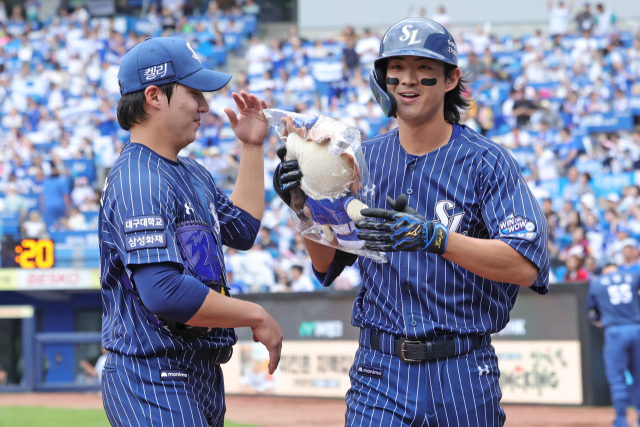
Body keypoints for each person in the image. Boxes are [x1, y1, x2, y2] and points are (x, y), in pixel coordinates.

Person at [274, 18, 549, 426]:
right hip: (380, 367)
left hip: (461, 367)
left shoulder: (486, 161)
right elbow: (326, 263)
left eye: (424, 69)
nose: (408, 80)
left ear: (450, 78)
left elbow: (525, 265)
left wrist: (435, 238)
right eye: (396, 68)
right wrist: (302, 205)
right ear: (382, 79)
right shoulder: (360, 160)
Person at [98, 37, 282, 427]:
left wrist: (251, 148)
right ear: (154, 96)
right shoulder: (138, 179)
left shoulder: (192, 172)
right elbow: (162, 290)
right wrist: (254, 314)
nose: (205, 106)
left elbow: (245, 230)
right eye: (194, 93)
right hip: (153, 374)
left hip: (197, 372)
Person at [587, 264, 640, 427]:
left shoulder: (597, 282)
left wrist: (599, 321)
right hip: (637, 329)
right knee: (639, 376)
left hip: (614, 331)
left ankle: (621, 420)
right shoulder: (633, 276)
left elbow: (591, 311)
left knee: (617, 378)